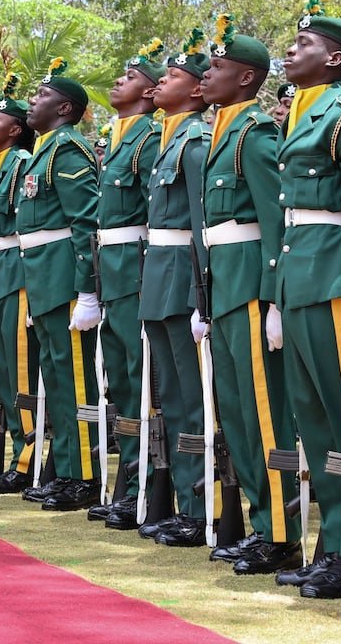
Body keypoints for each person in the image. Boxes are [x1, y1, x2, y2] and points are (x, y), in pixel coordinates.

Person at [270, 0, 341, 599]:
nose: (291, 49)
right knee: (312, 421)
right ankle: (330, 542)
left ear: (334, 59)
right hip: (298, 273)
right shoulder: (303, 112)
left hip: (332, 274)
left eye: (304, 43)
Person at [198, 15, 301, 573]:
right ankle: (262, 521)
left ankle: (281, 531)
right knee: (236, 413)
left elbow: (273, 220)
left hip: (250, 287)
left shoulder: (256, 132)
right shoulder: (223, 130)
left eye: (217, 68)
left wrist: (272, 297)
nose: (206, 76)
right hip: (224, 281)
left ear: (245, 79)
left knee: (265, 414)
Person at [137, 30, 212, 547]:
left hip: (183, 277)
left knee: (193, 399)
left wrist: (201, 293)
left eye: (173, 77)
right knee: (171, 397)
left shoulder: (196, 141)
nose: (160, 83)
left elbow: (203, 224)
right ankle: (183, 499)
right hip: (157, 275)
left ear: (198, 91)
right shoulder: (168, 139)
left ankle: (201, 504)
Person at [16, 57, 102, 512]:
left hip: (65, 281)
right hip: (44, 277)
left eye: (43, 95)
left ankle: (83, 473)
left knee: (75, 381)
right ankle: (66, 466)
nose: (33, 100)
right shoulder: (46, 149)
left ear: (65, 109)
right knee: (57, 377)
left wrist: (86, 289)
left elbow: (85, 222)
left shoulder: (68, 149)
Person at [85, 39, 162, 529]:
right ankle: (128, 482)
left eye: (131, 76)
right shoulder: (117, 137)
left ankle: (148, 487)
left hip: (137, 267)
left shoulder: (149, 138)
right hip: (113, 270)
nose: (118, 81)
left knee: (143, 381)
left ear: (152, 92)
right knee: (123, 383)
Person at [0, 74, 41, 494]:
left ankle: (28, 459)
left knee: (20, 373)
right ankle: (18, 451)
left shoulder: (19, 164)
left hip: (18, 272)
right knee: (4, 367)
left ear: (15, 130)